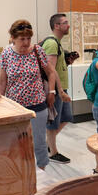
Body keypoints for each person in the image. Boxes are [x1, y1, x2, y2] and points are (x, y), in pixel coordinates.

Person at [0, 20, 56, 170]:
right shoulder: (6, 54)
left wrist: (52, 91)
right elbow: (2, 82)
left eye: (28, 38)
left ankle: (41, 171)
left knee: (39, 142)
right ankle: (20, 172)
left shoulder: (37, 51)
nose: (26, 42)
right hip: (14, 108)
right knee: (15, 143)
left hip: (37, 106)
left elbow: (51, 73)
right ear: (13, 38)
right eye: (22, 39)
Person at [40, 14, 73, 165]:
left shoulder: (57, 43)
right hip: (56, 90)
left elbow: (55, 66)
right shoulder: (52, 43)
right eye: (65, 23)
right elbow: (51, 70)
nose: (69, 25)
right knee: (53, 122)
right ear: (57, 26)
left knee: (66, 117)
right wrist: (57, 91)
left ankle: (48, 144)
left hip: (61, 88)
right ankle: (53, 152)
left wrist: (67, 61)